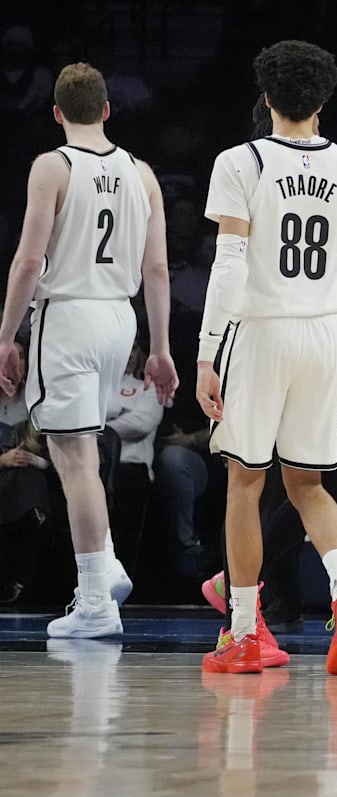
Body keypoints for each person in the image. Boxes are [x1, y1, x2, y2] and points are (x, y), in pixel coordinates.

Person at [196, 40, 337, 675]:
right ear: (323, 100)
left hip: (261, 332)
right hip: (325, 336)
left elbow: (227, 266)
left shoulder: (241, 161)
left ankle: (244, 632)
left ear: (267, 97)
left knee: (245, 484)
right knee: (308, 484)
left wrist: (206, 354)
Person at [0, 62, 178, 638]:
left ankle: (96, 598)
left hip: (70, 315)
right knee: (83, 452)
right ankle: (108, 565)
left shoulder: (52, 166)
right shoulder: (142, 173)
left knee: (74, 458)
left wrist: (5, 336)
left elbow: (29, 261)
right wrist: (160, 347)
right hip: (119, 319)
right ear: (106, 109)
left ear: (57, 113)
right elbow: (157, 268)